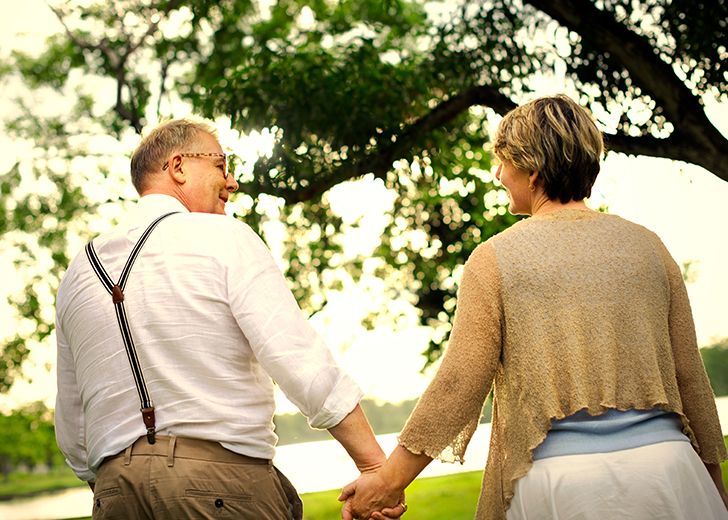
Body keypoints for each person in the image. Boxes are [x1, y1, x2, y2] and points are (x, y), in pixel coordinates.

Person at [340, 95, 728, 520]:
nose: (498, 174)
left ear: (532, 170)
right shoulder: (649, 247)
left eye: (504, 162)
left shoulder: (494, 259)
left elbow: (459, 384)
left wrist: (388, 481)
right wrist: (711, 488)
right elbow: (691, 378)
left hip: (563, 487)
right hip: (671, 472)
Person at [54, 118, 406, 519]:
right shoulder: (224, 237)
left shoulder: (78, 273)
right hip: (221, 488)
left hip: (115, 494)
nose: (232, 181)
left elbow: (72, 427)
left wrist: (118, 484)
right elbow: (301, 363)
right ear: (179, 167)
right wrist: (376, 467)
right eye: (221, 165)